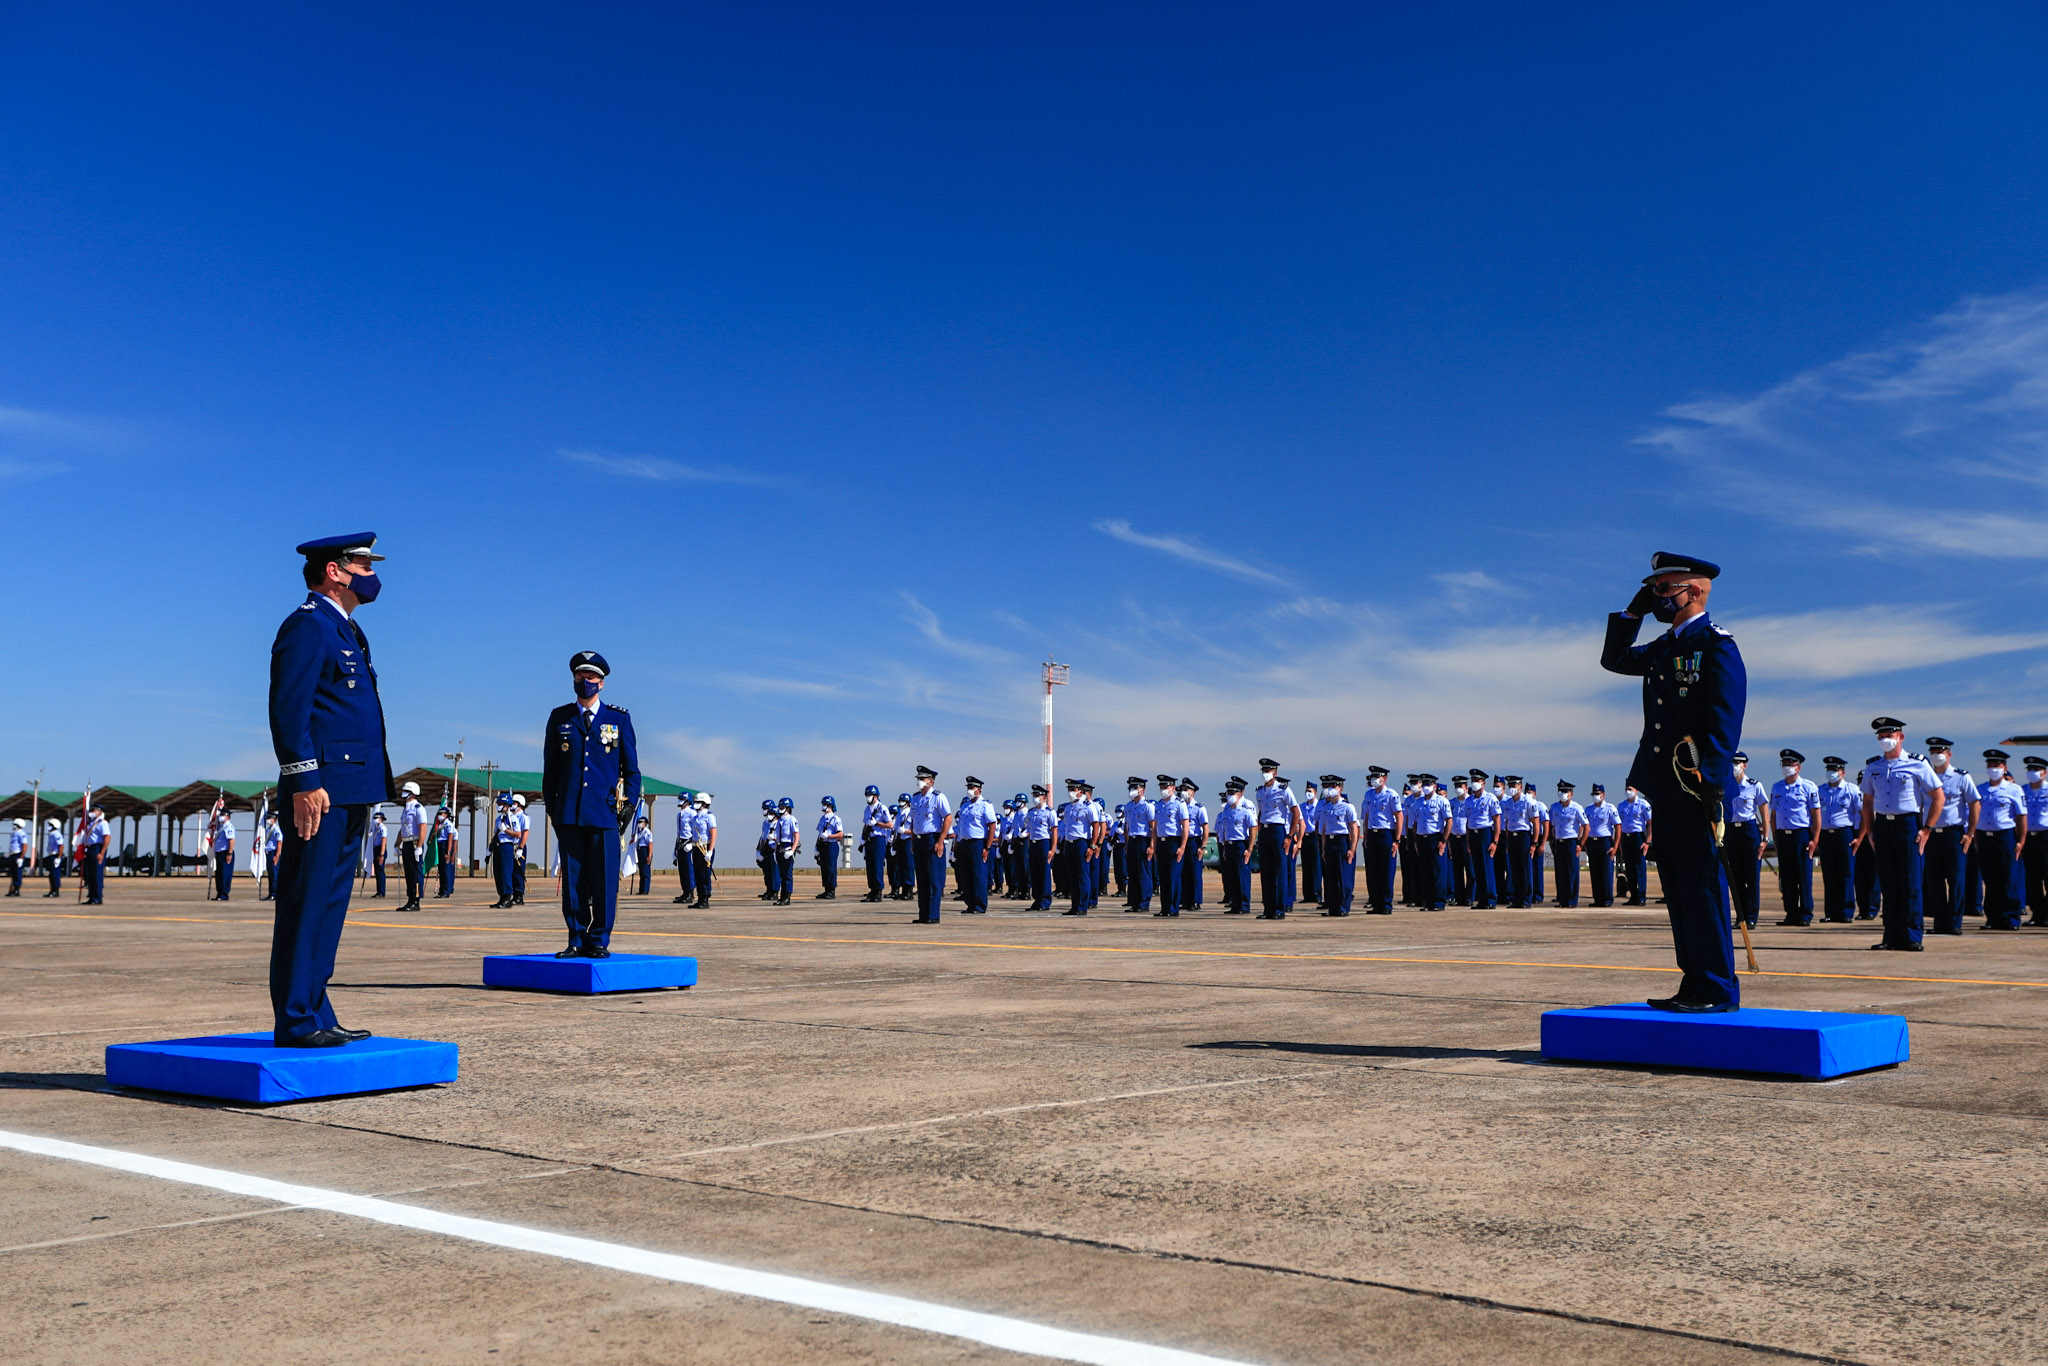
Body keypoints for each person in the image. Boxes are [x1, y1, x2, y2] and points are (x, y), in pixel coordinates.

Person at [267, 532, 398, 1047]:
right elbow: (288, 710)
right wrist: (304, 781)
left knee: (331, 904)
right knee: (306, 902)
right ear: (334, 571)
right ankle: (296, 1019)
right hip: (320, 792)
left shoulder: (349, 632)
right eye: (363, 564)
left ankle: (316, 1010)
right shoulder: (307, 627)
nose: (371, 573)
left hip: (351, 788)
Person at [1600, 551, 1746, 1013]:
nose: (1659, 597)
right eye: (1655, 590)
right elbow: (1615, 659)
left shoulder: (1717, 645)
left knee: (1702, 886)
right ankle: (1694, 982)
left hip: (1694, 785)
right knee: (1679, 888)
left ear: (1695, 591)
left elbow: (1725, 720)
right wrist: (1632, 612)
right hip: (1665, 785)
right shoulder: (1665, 647)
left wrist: (1713, 780)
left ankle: (1717, 988)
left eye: (1666, 589)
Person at [541, 650, 642, 958]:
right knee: (573, 879)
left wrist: (627, 808)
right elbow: (551, 771)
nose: (585, 682)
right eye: (580, 677)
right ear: (573, 679)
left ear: (602, 683)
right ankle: (575, 937)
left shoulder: (618, 719)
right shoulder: (560, 718)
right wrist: (553, 810)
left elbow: (633, 771)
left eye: (591, 678)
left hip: (604, 814)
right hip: (570, 814)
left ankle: (598, 938)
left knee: (604, 880)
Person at [1854, 718, 1943, 952]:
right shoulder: (1873, 767)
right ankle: (1891, 935)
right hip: (1883, 826)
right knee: (1889, 883)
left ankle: (1912, 935)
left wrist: (1927, 829)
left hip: (1908, 825)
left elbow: (1938, 796)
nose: (1885, 740)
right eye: (1881, 736)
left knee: (1911, 882)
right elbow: (1867, 801)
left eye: (1890, 735)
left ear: (1900, 737)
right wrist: (1871, 831)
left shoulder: (1917, 764)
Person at [1922, 739, 1979, 936]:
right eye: (1933, 751)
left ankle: (1954, 923)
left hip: (1953, 834)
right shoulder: (1926, 777)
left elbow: (1974, 804)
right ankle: (1940, 923)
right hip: (1931, 835)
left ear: (1949, 754)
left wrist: (1970, 833)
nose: (1937, 754)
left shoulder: (1961, 777)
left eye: (1941, 751)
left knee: (1956, 880)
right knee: (1934, 881)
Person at [1974, 749, 2027, 932]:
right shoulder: (1980, 789)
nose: (1993, 768)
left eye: (1996, 765)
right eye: (1990, 765)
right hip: (1985, 836)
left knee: (2008, 877)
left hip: (2005, 836)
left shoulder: (2013, 789)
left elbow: (2021, 816)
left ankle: (2011, 917)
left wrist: (2021, 840)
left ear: (2004, 767)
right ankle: (1993, 918)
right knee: (1990, 878)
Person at [1767, 750, 1819, 926]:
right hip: (1783, 835)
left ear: (1798, 767)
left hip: (1801, 835)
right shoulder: (1777, 787)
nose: (1786, 767)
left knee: (1803, 876)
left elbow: (1816, 815)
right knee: (1787, 877)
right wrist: (1776, 838)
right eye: (1784, 764)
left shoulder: (1808, 787)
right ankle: (1791, 913)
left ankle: (1805, 914)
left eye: (1790, 764)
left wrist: (1814, 839)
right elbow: (1773, 815)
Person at [1720, 753, 1768, 929]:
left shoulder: (1754, 786)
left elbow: (1764, 812)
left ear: (1745, 765)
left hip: (1749, 829)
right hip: (1731, 830)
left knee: (1752, 876)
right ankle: (1740, 917)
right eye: (1733, 762)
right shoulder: (1726, 786)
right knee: (1736, 878)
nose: (1735, 765)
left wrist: (1765, 838)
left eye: (1738, 763)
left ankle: (1752, 916)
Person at [905, 766, 953, 923]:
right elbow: (913, 821)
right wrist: (913, 840)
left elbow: (947, 818)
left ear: (931, 781)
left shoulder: (938, 797)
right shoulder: (916, 798)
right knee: (922, 880)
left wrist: (940, 841)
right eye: (918, 778)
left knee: (933, 880)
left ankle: (933, 915)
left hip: (932, 839)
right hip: (919, 840)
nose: (919, 781)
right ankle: (923, 914)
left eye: (922, 779)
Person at [1815, 757, 1861, 922]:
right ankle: (1831, 912)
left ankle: (1846, 912)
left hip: (1844, 833)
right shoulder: (1820, 791)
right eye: (1829, 769)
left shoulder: (1851, 790)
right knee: (1829, 874)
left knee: (1846, 873)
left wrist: (1859, 837)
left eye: (1835, 770)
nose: (1832, 773)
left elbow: (1860, 814)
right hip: (1826, 835)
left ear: (1843, 772)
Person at [1253, 762, 1299, 919]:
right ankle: (1268, 908)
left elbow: (1295, 812)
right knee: (1266, 872)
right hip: (1265, 832)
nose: (1265, 773)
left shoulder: (1283, 790)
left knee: (1279, 871)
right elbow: (1261, 813)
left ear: (1275, 772)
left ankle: (1280, 909)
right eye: (1263, 770)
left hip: (1278, 830)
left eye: (1268, 770)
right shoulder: (1259, 792)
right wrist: (1259, 833)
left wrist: (1289, 836)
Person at [1315, 775, 1360, 916]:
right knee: (1331, 877)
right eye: (1327, 787)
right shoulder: (1325, 808)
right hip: (1330, 841)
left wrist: (1352, 848)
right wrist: (1323, 848)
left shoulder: (1347, 806)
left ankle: (1343, 907)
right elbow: (1322, 830)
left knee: (1344, 877)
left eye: (1332, 786)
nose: (1329, 790)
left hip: (1343, 841)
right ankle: (1333, 907)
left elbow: (1354, 828)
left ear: (1340, 788)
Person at [952, 778, 997, 914]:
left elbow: (992, 826)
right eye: (968, 787)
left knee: (978, 875)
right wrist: (957, 845)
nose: (969, 789)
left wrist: (987, 847)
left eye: (972, 787)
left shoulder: (985, 805)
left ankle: (979, 905)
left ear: (979, 789)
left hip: (977, 843)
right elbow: (960, 827)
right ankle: (970, 903)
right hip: (964, 843)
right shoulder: (965, 806)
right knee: (967, 875)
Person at [1359, 767, 1400, 914]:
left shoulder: (1391, 795)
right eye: (1373, 777)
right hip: (1372, 833)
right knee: (1373, 871)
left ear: (1385, 778)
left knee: (1386, 870)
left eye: (1378, 776)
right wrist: (1366, 836)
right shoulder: (1368, 795)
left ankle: (1386, 905)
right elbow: (1367, 817)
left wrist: (1397, 839)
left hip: (1386, 834)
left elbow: (1399, 816)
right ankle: (1376, 903)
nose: (1375, 779)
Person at [1055, 777, 1099, 915]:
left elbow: (1096, 826)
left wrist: (1092, 846)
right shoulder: (1068, 808)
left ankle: (1082, 906)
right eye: (1069, 789)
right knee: (1072, 876)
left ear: (1080, 791)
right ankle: (1074, 906)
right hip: (1069, 844)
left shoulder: (1088, 806)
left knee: (1082, 875)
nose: (1070, 792)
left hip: (1081, 843)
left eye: (1073, 789)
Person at [1151, 773, 1189, 917]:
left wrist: (1182, 846)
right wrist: (1154, 845)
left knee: (1173, 877)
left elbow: (1185, 825)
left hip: (1174, 842)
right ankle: (1165, 908)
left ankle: (1173, 908)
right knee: (1164, 877)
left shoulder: (1179, 804)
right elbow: (1155, 827)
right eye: (1161, 786)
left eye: (1165, 786)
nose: (1163, 789)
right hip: (1161, 843)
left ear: (1172, 788)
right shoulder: (1158, 805)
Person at [1214, 777, 1253, 913]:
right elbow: (1224, 831)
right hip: (1229, 845)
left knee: (1242, 876)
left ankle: (1244, 905)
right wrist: (1224, 848)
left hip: (1240, 844)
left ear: (1239, 794)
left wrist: (1250, 848)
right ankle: (1235, 904)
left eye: (1233, 793)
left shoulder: (1245, 809)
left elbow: (1253, 828)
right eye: (1228, 793)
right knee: (1232, 877)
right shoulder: (1226, 812)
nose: (1230, 796)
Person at [1497, 777, 1537, 909]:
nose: (1512, 787)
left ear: (1520, 786)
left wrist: (1534, 843)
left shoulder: (1528, 801)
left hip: (1523, 836)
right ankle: (1516, 899)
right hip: (1512, 837)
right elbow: (1507, 823)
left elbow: (1535, 823)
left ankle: (1526, 899)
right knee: (1514, 870)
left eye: (1514, 784)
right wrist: (1508, 842)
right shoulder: (1508, 803)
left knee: (1525, 870)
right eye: (1510, 785)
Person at [1464, 768, 1499, 909]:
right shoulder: (1469, 800)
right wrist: (1468, 842)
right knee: (1477, 868)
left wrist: (1495, 841)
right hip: (1473, 834)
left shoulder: (1490, 798)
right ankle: (1482, 899)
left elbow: (1497, 820)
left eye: (1477, 781)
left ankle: (1491, 899)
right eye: (1472, 781)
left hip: (1485, 834)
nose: (1474, 783)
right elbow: (1468, 822)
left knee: (1487, 868)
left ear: (1483, 783)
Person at [1548, 782, 1587, 908]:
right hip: (1559, 842)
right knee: (1561, 873)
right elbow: (1552, 826)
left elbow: (1586, 826)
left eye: (1565, 792)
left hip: (1571, 842)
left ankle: (1572, 900)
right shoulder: (1554, 807)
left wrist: (1580, 843)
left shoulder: (1576, 808)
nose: (1562, 794)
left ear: (1571, 794)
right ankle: (1562, 900)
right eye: (1560, 791)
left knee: (1572, 873)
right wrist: (1552, 841)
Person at [1122, 777, 1156, 913]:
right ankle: (1134, 902)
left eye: (1134, 788)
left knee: (1144, 873)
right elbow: (1127, 826)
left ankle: (1144, 903)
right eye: (1131, 788)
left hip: (1143, 840)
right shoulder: (1129, 806)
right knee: (1133, 873)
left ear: (1142, 789)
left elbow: (1153, 827)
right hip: (1132, 841)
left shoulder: (1148, 806)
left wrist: (1152, 845)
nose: (1132, 791)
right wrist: (1126, 843)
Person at [1616, 784, 1653, 906]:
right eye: (1626, 789)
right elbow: (1619, 825)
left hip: (1638, 837)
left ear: (1636, 790)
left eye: (1630, 789)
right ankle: (1633, 896)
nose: (1628, 792)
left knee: (1639, 868)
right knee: (1630, 869)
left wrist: (1647, 841)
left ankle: (1641, 897)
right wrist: (1620, 842)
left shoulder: (1643, 805)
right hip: (1626, 837)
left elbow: (1650, 823)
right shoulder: (1622, 806)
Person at [1584, 784, 1619, 906]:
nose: (1596, 796)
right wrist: (1585, 845)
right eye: (1594, 794)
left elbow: (1617, 826)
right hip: (1592, 841)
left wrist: (1615, 846)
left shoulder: (1610, 808)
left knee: (1606, 871)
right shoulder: (1588, 809)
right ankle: (1597, 899)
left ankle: (1607, 899)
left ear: (1603, 795)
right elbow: (1584, 827)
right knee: (1595, 872)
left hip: (1605, 841)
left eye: (1598, 794)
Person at [858, 785, 892, 903]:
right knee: (870, 866)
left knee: (877, 866)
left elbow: (890, 825)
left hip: (879, 839)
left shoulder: (882, 808)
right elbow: (866, 825)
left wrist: (877, 823)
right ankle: (872, 890)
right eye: (867, 795)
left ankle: (878, 891)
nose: (868, 797)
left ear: (876, 796)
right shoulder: (867, 809)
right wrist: (862, 839)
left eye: (870, 795)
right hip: (869, 840)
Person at [2025, 758, 2048, 926]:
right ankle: (2037, 915)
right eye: (2030, 768)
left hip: (2046, 837)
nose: (2032, 772)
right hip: (2028, 838)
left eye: (2036, 769)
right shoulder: (2022, 790)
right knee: (2032, 879)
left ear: (2044, 772)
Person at [395, 780, 425, 911]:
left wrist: (419, 846)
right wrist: (397, 844)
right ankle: (410, 899)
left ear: (413, 793)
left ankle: (416, 901)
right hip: (407, 843)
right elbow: (403, 829)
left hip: (414, 843)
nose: (404, 793)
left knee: (415, 873)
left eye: (406, 791)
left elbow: (423, 827)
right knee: (408, 873)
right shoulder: (405, 810)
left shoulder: (418, 808)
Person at [1180, 780, 1209, 911]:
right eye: (1183, 789)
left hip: (1193, 841)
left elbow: (1205, 828)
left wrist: (1202, 846)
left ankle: (1196, 901)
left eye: (1186, 789)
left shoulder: (1199, 808)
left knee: (1195, 873)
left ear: (1192, 792)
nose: (1183, 792)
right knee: (1184, 872)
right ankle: (1186, 900)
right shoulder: (1180, 806)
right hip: (1182, 841)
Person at [491, 795, 521, 908]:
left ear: (507, 805)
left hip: (507, 846)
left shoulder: (513, 818)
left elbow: (518, 834)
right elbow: (495, 835)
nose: (498, 806)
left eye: (500, 804)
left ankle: (507, 898)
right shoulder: (498, 819)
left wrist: (506, 830)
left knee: (505, 872)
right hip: (498, 846)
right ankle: (501, 897)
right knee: (498, 873)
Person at [768, 798, 798, 905]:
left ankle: (787, 897)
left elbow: (796, 836)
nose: (780, 810)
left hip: (788, 846)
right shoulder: (780, 821)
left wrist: (792, 850)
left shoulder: (792, 820)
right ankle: (782, 897)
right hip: (779, 847)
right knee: (781, 874)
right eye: (779, 808)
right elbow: (778, 837)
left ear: (788, 808)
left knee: (787, 874)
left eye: (782, 808)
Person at [814, 795, 845, 900]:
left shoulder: (836, 819)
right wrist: (816, 847)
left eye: (826, 804)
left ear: (831, 806)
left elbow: (840, 835)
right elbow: (819, 834)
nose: (824, 806)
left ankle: (832, 890)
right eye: (823, 804)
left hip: (831, 844)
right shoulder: (822, 819)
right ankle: (826, 889)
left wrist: (829, 836)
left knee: (831, 868)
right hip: (823, 844)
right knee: (824, 868)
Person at [78, 804, 110, 905]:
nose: (92, 812)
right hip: (90, 849)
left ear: (100, 812)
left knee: (96, 874)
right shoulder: (91, 823)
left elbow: (107, 838)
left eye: (94, 810)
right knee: (90, 875)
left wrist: (102, 853)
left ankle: (97, 898)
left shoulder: (102, 823)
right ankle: (91, 896)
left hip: (97, 848)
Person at [1299, 781, 1323, 909]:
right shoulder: (1302, 807)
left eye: (1310, 791)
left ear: (1315, 793)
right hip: (1305, 837)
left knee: (1316, 866)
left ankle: (1316, 894)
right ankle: (1307, 895)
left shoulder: (1318, 806)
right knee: (1306, 866)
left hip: (1315, 836)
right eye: (1307, 791)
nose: (1308, 793)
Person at [672, 793, 698, 905]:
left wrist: (692, 843)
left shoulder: (692, 813)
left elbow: (696, 829)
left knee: (689, 869)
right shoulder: (679, 814)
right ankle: (685, 891)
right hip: (680, 842)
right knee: (682, 870)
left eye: (682, 799)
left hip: (688, 842)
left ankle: (690, 893)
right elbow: (679, 832)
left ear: (688, 801)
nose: (680, 801)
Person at [207, 805, 235, 901]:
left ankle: (224, 894)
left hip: (226, 853)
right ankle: (219, 893)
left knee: (225, 874)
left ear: (227, 816)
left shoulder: (229, 827)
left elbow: (231, 840)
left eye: (222, 814)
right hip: (219, 853)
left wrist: (229, 854)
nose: (220, 816)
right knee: (218, 874)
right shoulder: (219, 827)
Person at [633, 814, 654, 896]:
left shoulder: (647, 832)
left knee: (646, 871)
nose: (640, 823)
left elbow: (650, 844)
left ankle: (645, 889)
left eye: (641, 822)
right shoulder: (639, 832)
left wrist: (649, 855)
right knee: (641, 872)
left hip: (645, 850)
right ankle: (641, 889)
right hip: (640, 851)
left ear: (645, 823)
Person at [368, 811, 388, 898]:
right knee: (377, 871)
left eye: (376, 818)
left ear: (381, 819)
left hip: (380, 849)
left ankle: (382, 892)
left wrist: (381, 855)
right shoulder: (375, 828)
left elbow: (384, 841)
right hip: (376, 849)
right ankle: (378, 891)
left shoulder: (383, 828)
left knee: (380, 871)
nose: (375, 820)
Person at [6, 817, 27, 896]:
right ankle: (12, 889)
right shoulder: (15, 833)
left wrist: (21, 857)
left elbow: (24, 845)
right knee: (13, 872)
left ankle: (16, 890)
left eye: (15, 824)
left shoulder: (21, 833)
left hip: (18, 855)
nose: (13, 826)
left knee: (18, 873)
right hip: (13, 854)